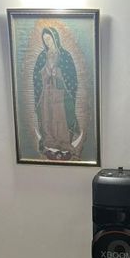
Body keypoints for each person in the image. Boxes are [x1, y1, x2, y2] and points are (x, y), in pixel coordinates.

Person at [32, 27, 83, 160]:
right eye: (44, 40)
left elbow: (71, 76)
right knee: (47, 115)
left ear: (55, 38)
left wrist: (58, 72)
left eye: (49, 38)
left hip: (60, 93)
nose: (47, 42)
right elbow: (36, 75)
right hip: (46, 92)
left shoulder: (65, 55)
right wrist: (45, 72)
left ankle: (64, 142)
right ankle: (49, 140)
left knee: (60, 116)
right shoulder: (42, 56)